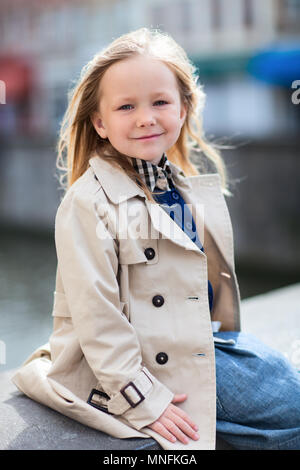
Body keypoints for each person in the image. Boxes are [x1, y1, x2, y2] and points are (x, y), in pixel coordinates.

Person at [12, 28, 300, 451]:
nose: (146, 117)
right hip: (143, 364)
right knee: (291, 409)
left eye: (160, 102)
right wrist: (144, 402)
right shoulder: (87, 203)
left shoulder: (180, 185)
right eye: (126, 106)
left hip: (204, 340)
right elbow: (97, 318)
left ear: (184, 109)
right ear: (100, 123)